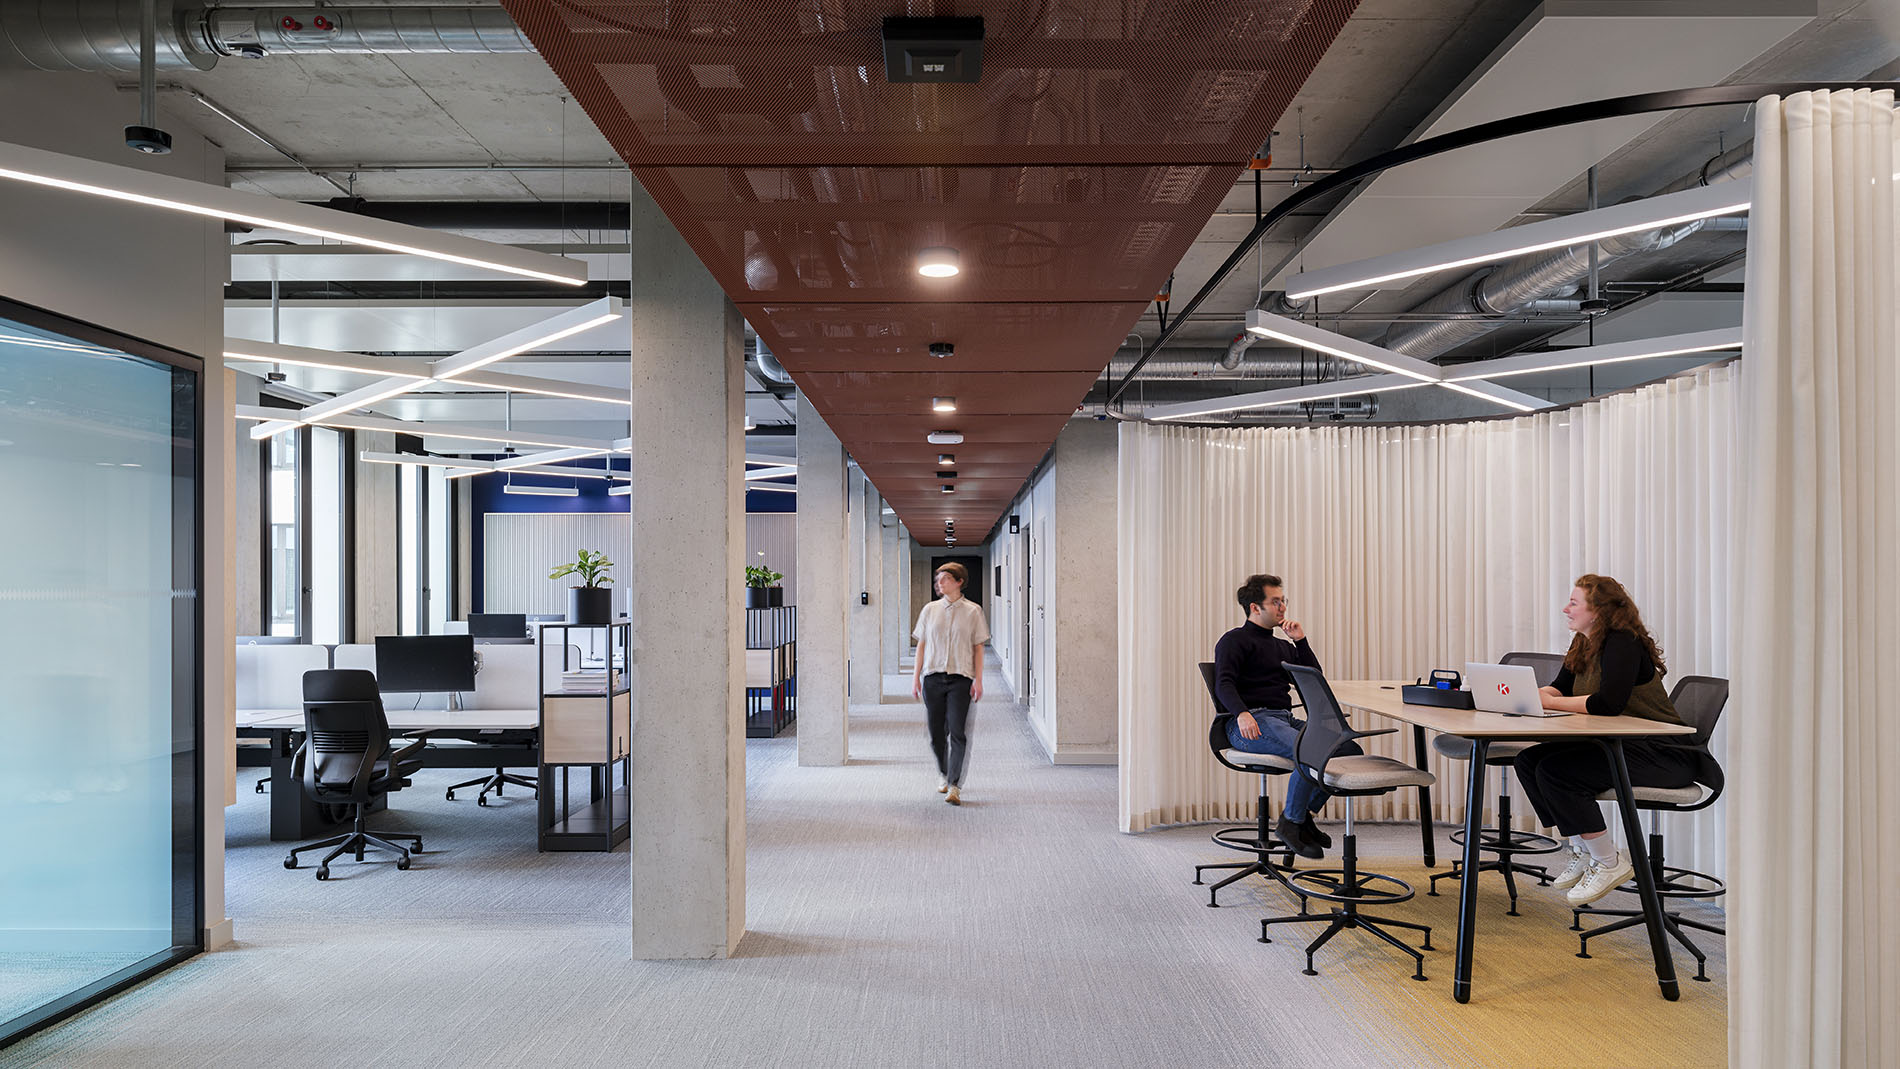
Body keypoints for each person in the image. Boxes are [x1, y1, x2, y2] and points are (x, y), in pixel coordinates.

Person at [1514, 574, 1700, 907]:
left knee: (1557, 773)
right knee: (1530, 761)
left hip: (1663, 755)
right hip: (1623, 746)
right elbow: (1562, 686)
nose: (1565, 609)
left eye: (1573, 602)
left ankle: (1609, 863)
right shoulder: (1583, 640)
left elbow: (1607, 704)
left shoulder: (1622, 641)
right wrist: (1530, 694)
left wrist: (1549, 702)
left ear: (1597, 610)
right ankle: (1585, 850)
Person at [1212, 573, 1358, 859]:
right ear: (1256, 607)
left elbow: (1314, 679)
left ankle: (1304, 816)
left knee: (1348, 748)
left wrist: (1300, 641)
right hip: (1249, 723)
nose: (1282, 607)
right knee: (1310, 749)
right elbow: (1223, 683)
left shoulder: (1281, 646)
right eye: (1275, 601)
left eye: (1283, 601)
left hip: (1282, 718)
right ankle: (1291, 823)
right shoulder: (1233, 641)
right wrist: (1241, 713)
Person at [911, 562, 991, 806]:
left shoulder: (973, 611)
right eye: (938, 579)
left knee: (957, 732)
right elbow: (921, 645)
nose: (940, 583)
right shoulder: (929, 610)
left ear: (959, 582)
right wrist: (915, 677)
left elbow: (978, 647)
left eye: (945, 578)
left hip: (961, 677)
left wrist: (979, 679)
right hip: (933, 677)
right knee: (936, 735)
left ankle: (954, 785)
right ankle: (944, 773)